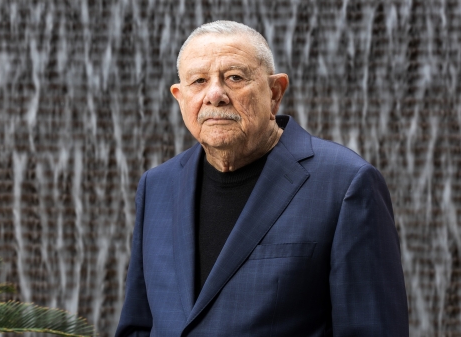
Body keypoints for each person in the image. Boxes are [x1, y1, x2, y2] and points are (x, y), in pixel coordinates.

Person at [116, 20, 408, 336]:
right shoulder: (158, 185)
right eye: (199, 81)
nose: (215, 95)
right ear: (179, 96)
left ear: (274, 92)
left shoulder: (346, 183)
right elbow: (138, 326)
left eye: (234, 78)